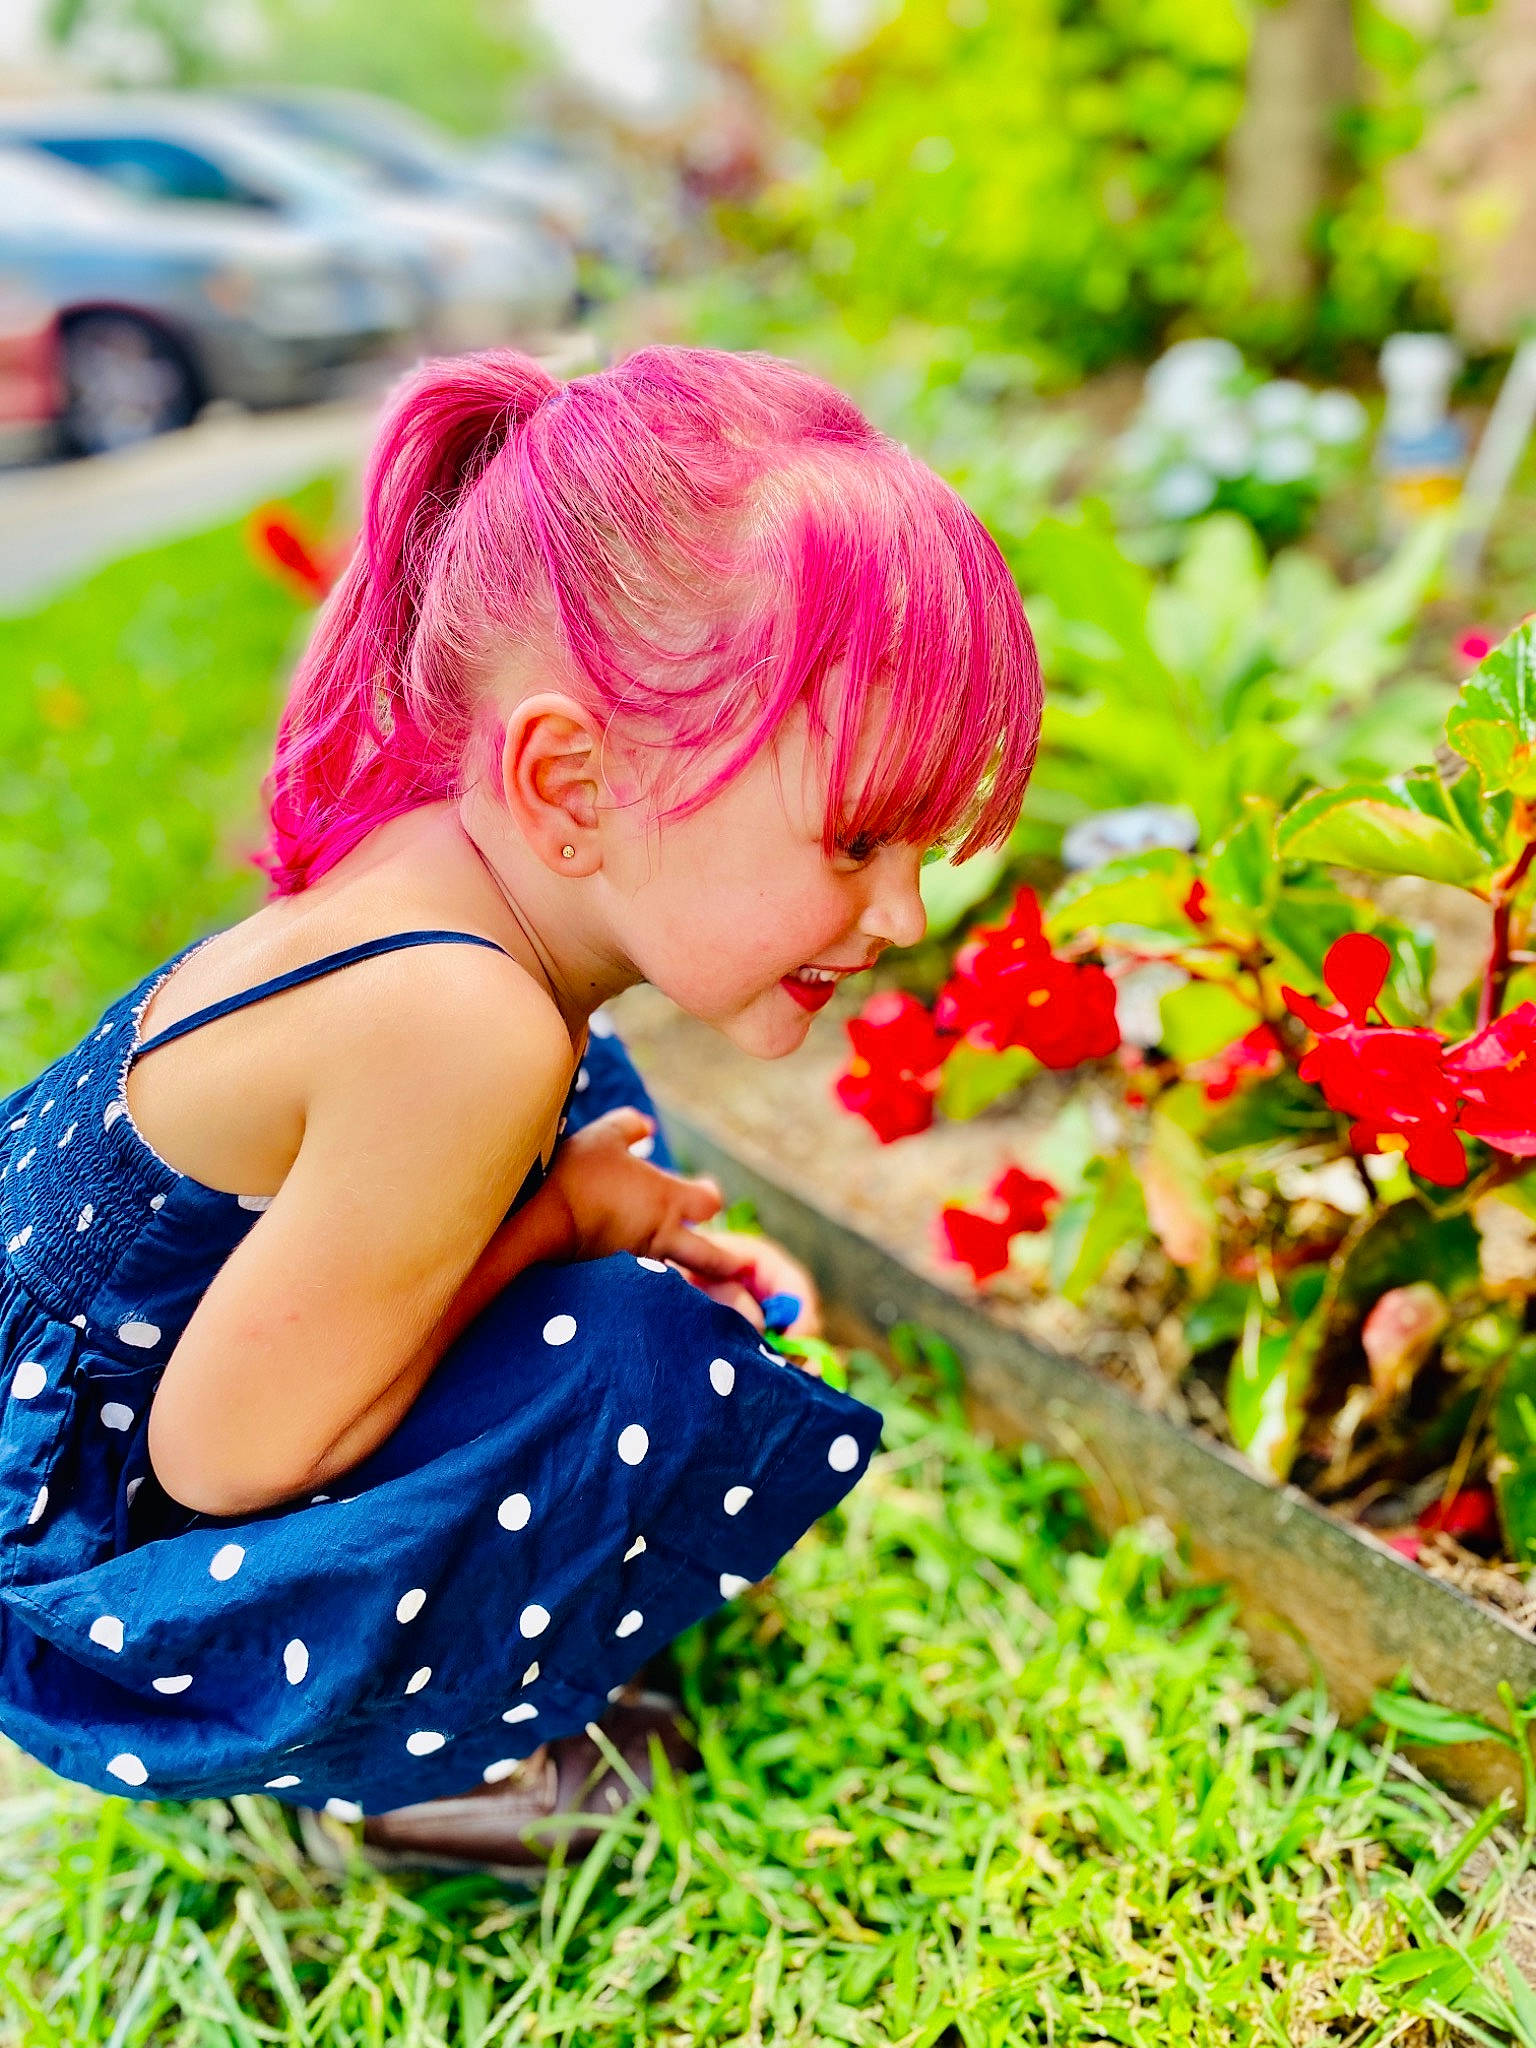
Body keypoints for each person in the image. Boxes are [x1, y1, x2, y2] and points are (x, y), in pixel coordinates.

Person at [0, 344, 1040, 1878]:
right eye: (861, 835)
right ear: (569, 782)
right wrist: (563, 1228)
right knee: (621, 1352)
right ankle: (422, 1775)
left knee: (606, 1163)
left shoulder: (465, 899)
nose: (902, 908)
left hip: (104, 1429)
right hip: (84, 1557)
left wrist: (614, 1216)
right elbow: (226, 1453)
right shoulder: (461, 1024)